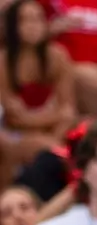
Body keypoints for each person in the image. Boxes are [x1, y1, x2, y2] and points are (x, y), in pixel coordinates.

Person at [0, 0, 78, 182]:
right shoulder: (3, 62)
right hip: (15, 135)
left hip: (54, 133)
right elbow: (14, 118)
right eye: (25, 20)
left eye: (38, 19)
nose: (33, 26)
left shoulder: (58, 56)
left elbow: (68, 111)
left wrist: (53, 139)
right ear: (12, 26)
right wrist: (52, 117)